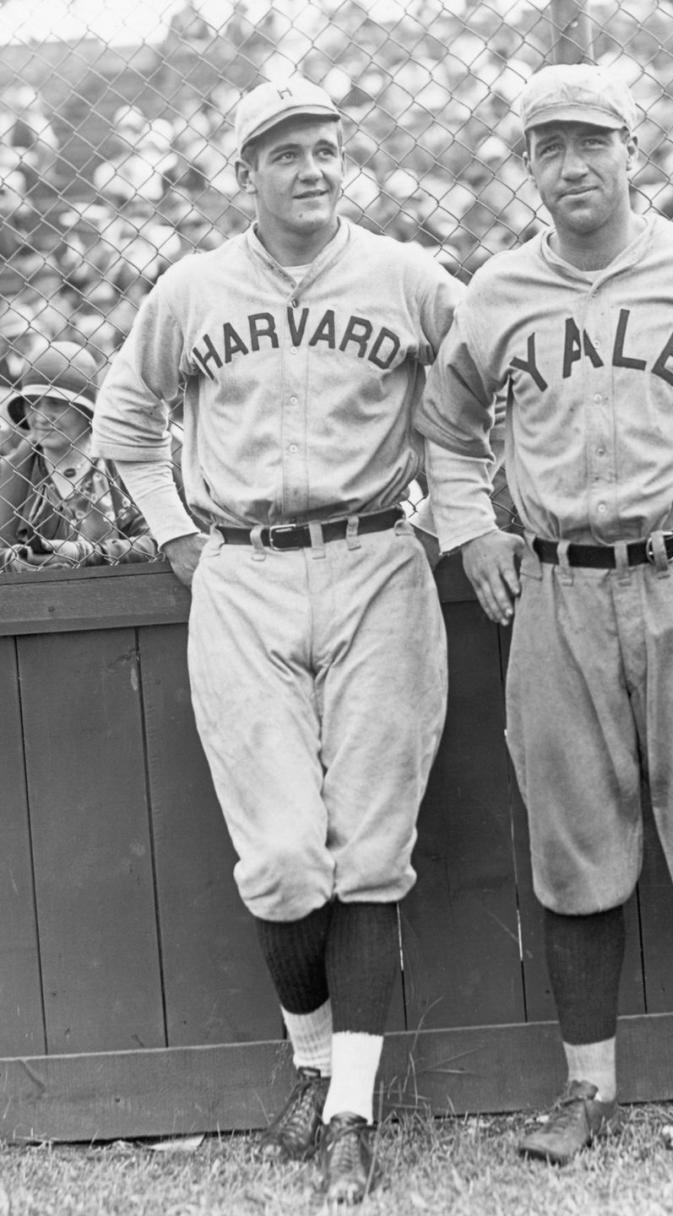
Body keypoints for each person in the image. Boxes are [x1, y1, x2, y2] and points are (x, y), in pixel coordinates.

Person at [415, 63, 673, 1165]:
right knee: (571, 841)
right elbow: (447, 428)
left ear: (631, 152)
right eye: (549, 148)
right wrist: (472, 532)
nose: (572, 165)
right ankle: (585, 1092)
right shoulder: (499, 291)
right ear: (530, 169)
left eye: (590, 142)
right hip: (555, 588)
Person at [92, 76, 461, 1204]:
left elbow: (474, 399)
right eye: (287, 152)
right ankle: (310, 1063)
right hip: (242, 569)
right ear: (244, 171)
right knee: (286, 856)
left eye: (326, 149)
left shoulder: (407, 277)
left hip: (375, 563)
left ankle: (348, 1110)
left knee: (373, 846)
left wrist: (451, 521)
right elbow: (124, 418)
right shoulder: (195, 287)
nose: (312, 168)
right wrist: (176, 539)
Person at [0, 341, 156, 569]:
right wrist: (13, 562)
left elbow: (160, 542)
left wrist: (85, 553)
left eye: (55, 403)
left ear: (85, 410)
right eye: (33, 404)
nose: (41, 417)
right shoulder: (9, 473)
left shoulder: (121, 466)